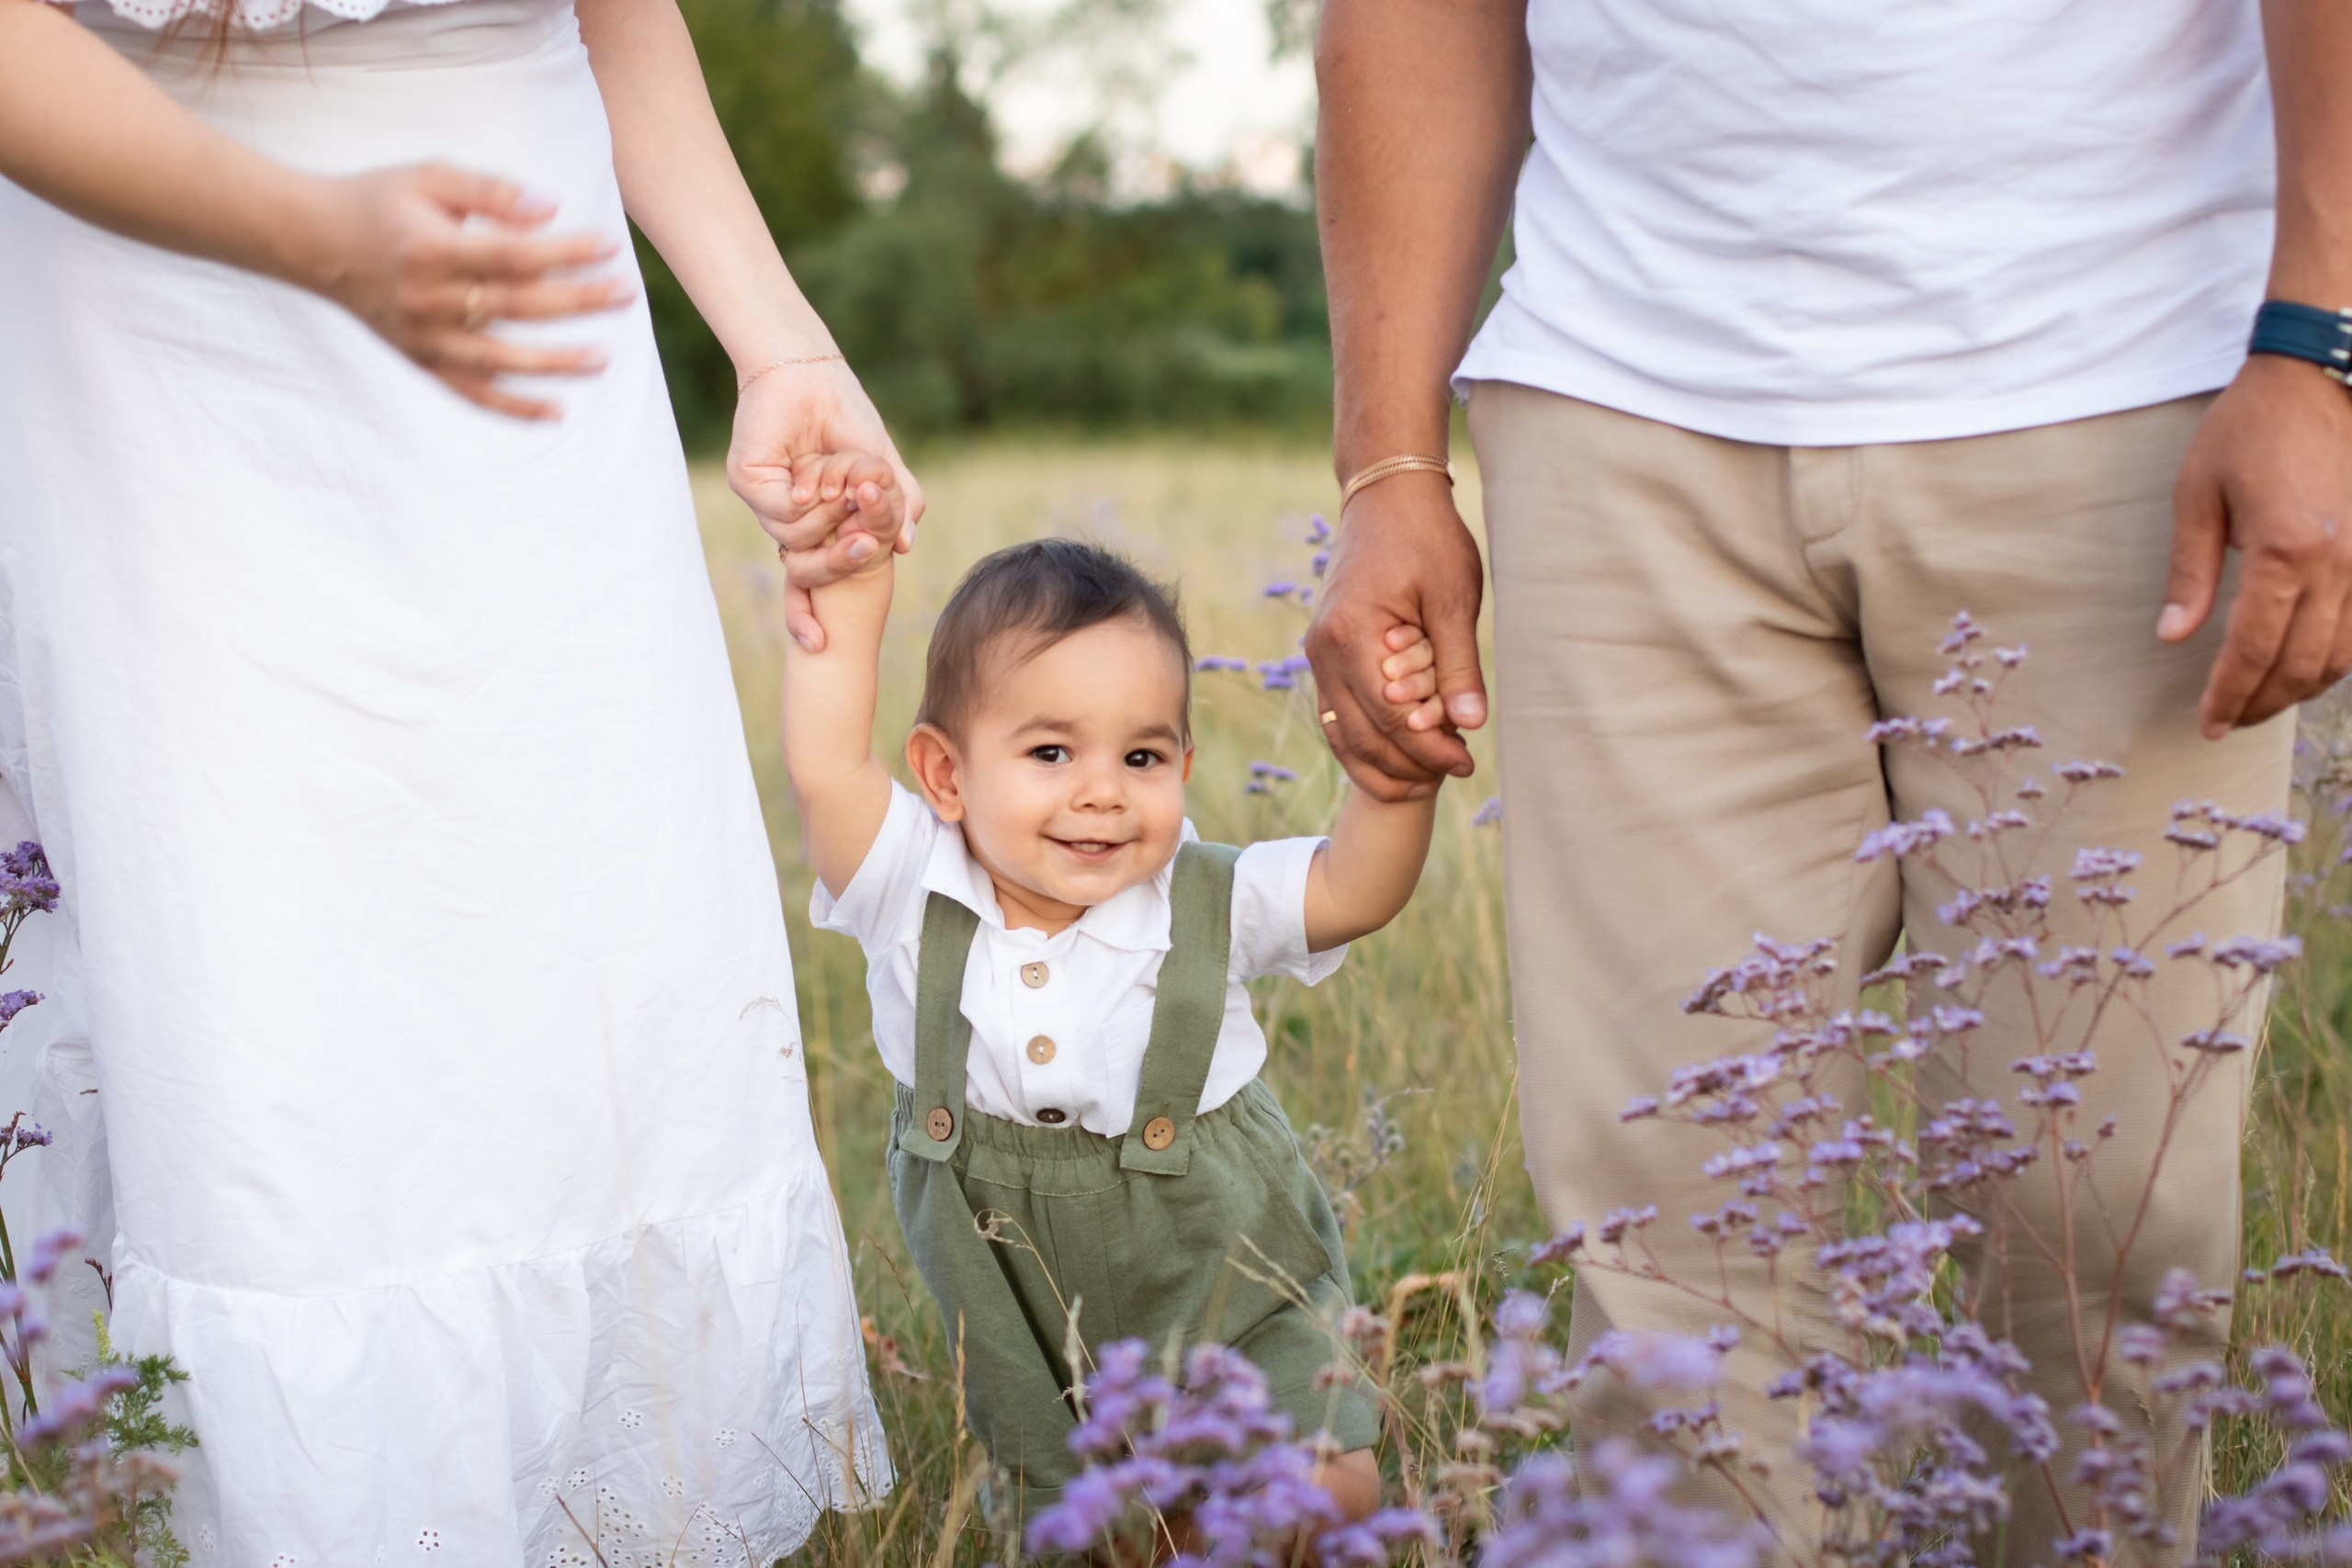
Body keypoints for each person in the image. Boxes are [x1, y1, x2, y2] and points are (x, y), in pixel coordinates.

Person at [1308, 0, 2352, 1552]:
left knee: (2101, 1231)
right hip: (1625, 397)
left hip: (2124, 382)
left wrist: (2323, 341)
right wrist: (1387, 467)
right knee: (1671, 1242)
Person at [0, 0, 912, 1560]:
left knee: (564, 940)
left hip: (522, 266)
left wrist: (781, 341)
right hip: (145, 286)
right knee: (256, 996)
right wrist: (307, 229)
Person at [777, 525, 1440, 1536]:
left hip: (1222, 1272)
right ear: (946, 775)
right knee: (1090, 1528)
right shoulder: (907, 885)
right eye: (1050, 752)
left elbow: (1353, 890)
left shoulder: (1206, 896)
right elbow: (826, 766)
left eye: (1142, 755)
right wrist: (853, 584)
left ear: (1184, 763)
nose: (1102, 791)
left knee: (1330, 1491)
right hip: (1019, 1302)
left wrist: (1396, 780)